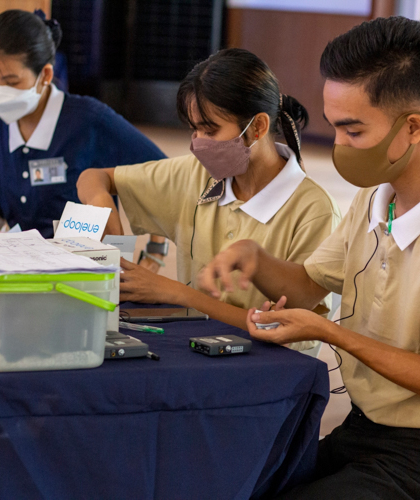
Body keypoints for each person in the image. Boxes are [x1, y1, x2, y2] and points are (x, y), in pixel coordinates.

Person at [198, 17, 420, 499]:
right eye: (334, 128)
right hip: (362, 430)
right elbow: (309, 285)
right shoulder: (376, 199)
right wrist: (254, 256)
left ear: (413, 127)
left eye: (353, 131)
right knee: (236, 483)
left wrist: (327, 331)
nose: (339, 146)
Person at [77, 48, 341, 334]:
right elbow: (94, 178)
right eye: (194, 130)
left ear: (258, 128)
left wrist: (176, 293)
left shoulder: (315, 212)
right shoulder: (195, 175)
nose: (199, 144)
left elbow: (287, 329)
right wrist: (101, 203)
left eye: (210, 130)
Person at [0, 10, 165, 238]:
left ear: (45, 76)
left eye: (11, 81)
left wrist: (155, 251)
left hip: (83, 270)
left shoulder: (89, 120)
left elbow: (162, 176)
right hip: (22, 265)